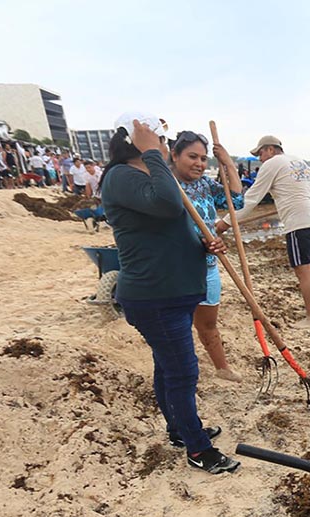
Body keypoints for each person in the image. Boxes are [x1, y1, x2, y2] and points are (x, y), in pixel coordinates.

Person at [100, 112, 239, 476]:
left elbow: (168, 229)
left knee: (168, 368)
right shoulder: (121, 176)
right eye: (161, 141)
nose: (164, 146)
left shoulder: (144, 176)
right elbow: (167, 205)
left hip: (172, 293)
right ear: (138, 143)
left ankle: (179, 430)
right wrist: (150, 151)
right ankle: (198, 449)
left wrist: (203, 244)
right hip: (154, 297)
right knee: (182, 372)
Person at [216, 135, 310, 327]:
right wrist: (294, 194)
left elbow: (251, 199)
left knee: (303, 271)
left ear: (270, 149)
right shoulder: (297, 160)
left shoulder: (272, 163)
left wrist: (225, 223)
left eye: (260, 153)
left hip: (298, 223)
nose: (260, 158)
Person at [171, 130, 244, 382]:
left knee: (208, 322)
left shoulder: (204, 184)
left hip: (209, 265)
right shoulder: (167, 186)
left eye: (203, 159)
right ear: (174, 155)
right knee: (177, 326)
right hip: (176, 269)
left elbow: (236, 200)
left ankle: (221, 367)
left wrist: (228, 163)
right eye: (192, 156)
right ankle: (182, 370)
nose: (199, 164)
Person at [75, 159, 105, 231]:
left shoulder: (99, 174)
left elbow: (103, 185)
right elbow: (88, 186)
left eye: (89, 167)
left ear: (93, 166)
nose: (88, 169)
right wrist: (88, 197)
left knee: (104, 209)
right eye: (86, 168)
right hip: (96, 195)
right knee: (94, 209)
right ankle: (94, 223)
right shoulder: (86, 175)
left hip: (104, 193)